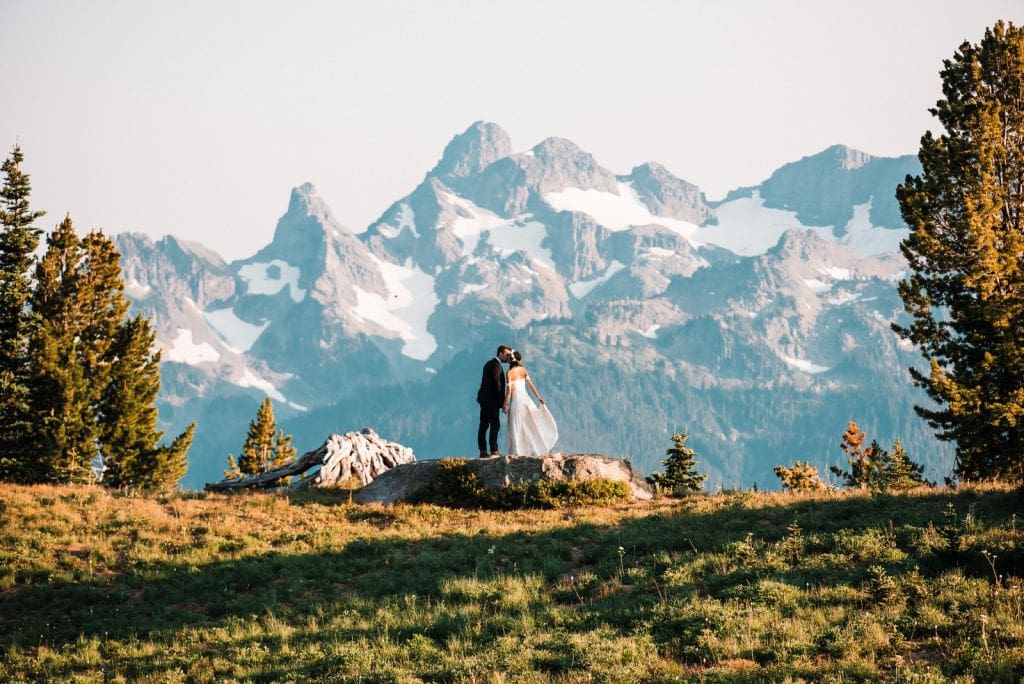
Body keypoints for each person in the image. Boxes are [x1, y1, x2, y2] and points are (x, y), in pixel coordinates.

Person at [502, 349, 558, 456]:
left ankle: (518, 451)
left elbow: (509, 391)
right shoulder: (523, 370)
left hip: (516, 401)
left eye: (509, 357)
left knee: (516, 425)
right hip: (526, 399)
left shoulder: (509, 373)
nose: (507, 359)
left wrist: (505, 404)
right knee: (530, 424)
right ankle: (533, 449)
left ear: (511, 359)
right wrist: (538, 397)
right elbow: (531, 385)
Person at [477, 345, 512, 457]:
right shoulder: (497, 367)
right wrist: (503, 403)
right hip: (492, 401)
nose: (508, 357)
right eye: (507, 354)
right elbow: (498, 386)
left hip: (483, 399)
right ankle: (494, 450)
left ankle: (482, 450)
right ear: (500, 353)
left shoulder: (488, 364)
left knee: (483, 425)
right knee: (495, 425)